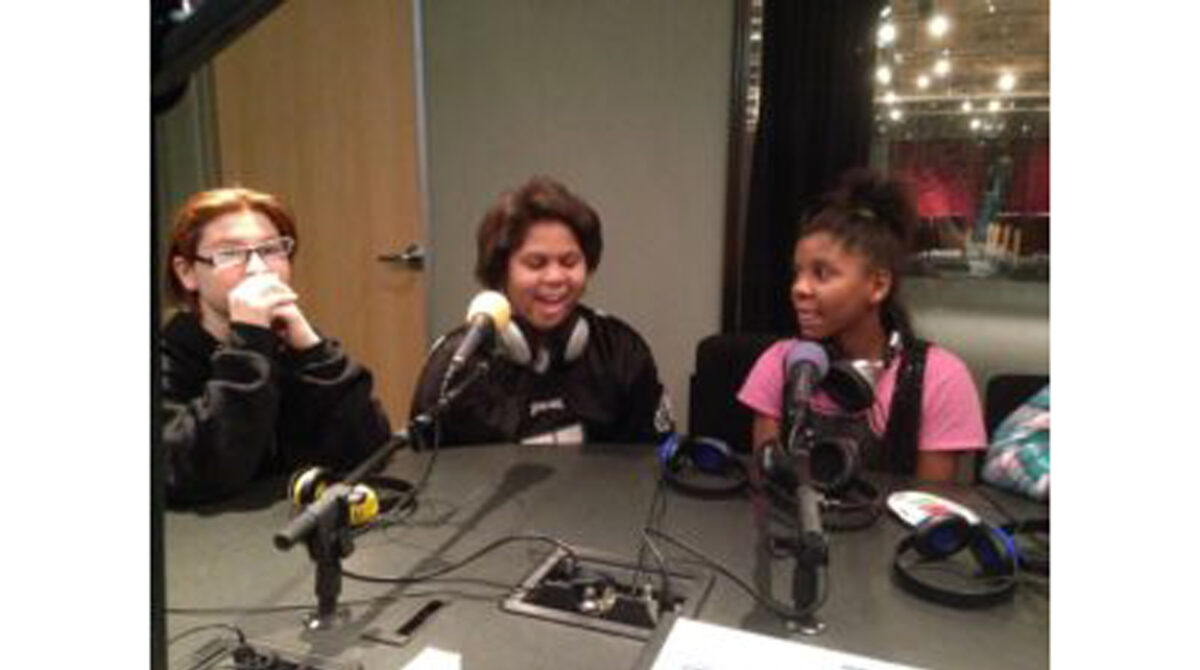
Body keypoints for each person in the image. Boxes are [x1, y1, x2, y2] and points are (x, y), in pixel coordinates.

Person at [738, 169, 986, 482]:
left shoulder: (942, 379)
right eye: (797, 273)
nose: (799, 288)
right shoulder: (779, 362)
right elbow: (768, 485)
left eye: (822, 274)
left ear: (878, 285)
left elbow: (926, 506)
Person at [161, 187, 392, 505]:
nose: (259, 268)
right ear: (187, 272)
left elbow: (371, 452)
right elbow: (198, 475)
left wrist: (313, 352)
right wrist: (248, 343)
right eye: (229, 253)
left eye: (271, 250)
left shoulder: (289, 342)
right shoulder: (167, 359)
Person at [410, 176, 673, 446]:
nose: (555, 277)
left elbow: (652, 465)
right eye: (536, 263)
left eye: (569, 262)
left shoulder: (621, 352)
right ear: (502, 270)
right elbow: (427, 474)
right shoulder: (456, 368)